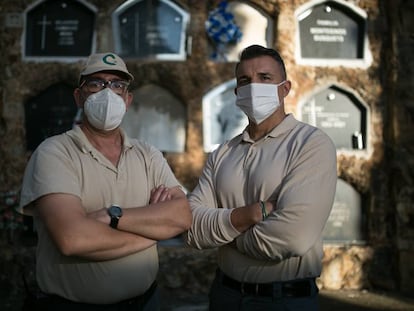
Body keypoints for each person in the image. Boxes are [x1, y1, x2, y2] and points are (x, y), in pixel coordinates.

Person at [18, 52, 192, 310]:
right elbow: (72, 239)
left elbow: (182, 216)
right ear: (79, 96)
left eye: (117, 85)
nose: (107, 92)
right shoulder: (54, 152)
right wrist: (151, 235)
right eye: (96, 83)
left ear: (128, 99)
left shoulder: (147, 154)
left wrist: (113, 217)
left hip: (146, 302)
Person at [186, 45, 337, 310]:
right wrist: (251, 215)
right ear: (237, 93)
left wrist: (223, 231)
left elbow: (292, 237)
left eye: (264, 78)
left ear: (285, 88)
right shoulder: (222, 153)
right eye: (245, 81)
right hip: (225, 295)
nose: (254, 86)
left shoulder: (310, 144)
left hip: (285, 300)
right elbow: (192, 227)